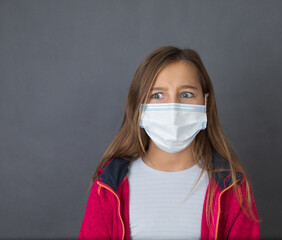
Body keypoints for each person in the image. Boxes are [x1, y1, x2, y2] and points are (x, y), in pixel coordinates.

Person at [79, 46, 260, 240]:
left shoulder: (232, 186)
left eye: (187, 94)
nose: (173, 108)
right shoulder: (108, 186)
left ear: (205, 104)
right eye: (157, 95)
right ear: (139, 106)